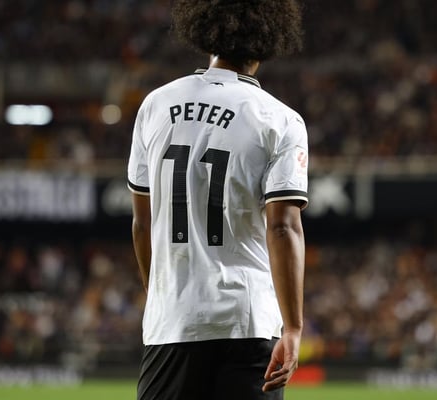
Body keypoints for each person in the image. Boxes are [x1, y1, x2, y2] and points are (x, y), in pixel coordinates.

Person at [127, 1, 307, 399]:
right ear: (268, 41)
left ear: (205, 33)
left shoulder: (156, 104)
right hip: (248, 321)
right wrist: (293, 327)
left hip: (172, 322)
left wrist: (161, 296)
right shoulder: (280, 119)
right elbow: (282, 227)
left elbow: (143, 222)